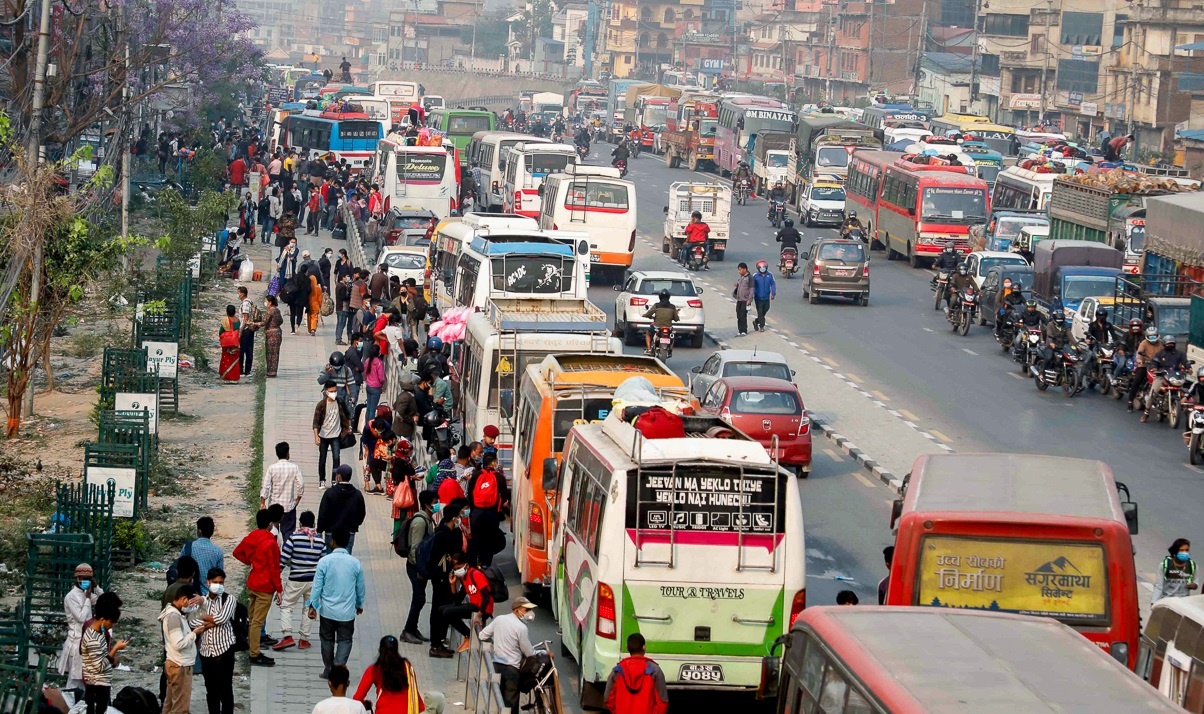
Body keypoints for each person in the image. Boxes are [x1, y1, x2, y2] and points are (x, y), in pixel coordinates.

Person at [309, 528, 366, 680]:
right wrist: (359, 604)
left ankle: (329, 669)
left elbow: (317, 587)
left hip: (327, 611)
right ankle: (338, 669)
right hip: (347, 613)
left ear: (332, 542)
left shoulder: (324, 562)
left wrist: (313, 605)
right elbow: (360, 588)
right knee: (345, 640)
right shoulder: (355, 563)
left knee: (327, 639)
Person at [233, 509, 283, 667]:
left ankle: (253, 649)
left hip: (253, 582)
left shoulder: (251, 537)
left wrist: (251, 562)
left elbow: (237, 552)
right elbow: (275, 568)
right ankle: (254, 654)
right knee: (257, 622)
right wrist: (280, 589)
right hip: (265, 586)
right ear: (270, 524)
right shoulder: (271, 542)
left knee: (253, 619)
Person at [274, 511, 324, 651]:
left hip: (296, 579)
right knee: (309, 608)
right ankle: (304, 639)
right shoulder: (320, 541)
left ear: (300, 524)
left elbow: (283, 560)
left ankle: (287, 635)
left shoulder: (293, 538)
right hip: (313, 582)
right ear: (314, 524)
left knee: (286, 605)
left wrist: (276, 576)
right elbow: (323, 563)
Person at [479, 597, 537, 714]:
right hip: (512, 670)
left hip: (495, 666)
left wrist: (496, 643)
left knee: (496, 700)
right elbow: (529, 652)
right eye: (526, 610)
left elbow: (482, 635)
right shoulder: (521, 628)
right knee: (510, 706)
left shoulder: (499, 619)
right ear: (517, 610)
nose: (529, 613)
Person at [428, 501, 466, 658]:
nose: (460, 520)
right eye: (459, 517)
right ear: (453, 518)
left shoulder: (447, 532)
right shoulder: (443, 535)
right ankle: (435, 645)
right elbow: (443, 558)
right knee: (438, 610)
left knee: (442, 609)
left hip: (443, 578)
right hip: (441, 579)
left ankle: (439, 643)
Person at [59, 563, 103, 697]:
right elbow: (81, 617)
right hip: (76, 642)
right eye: (83, 578)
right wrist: (88, 599)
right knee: (74, 680)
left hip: (88, 641)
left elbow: (104, 600)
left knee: (86, 681)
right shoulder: (71, 596)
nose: (86, 581)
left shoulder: (86, 594)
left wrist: (97, 588)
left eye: (89, 579)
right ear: (77, 579)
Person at [160, 585, 204, 714]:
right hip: (180, 666)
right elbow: (178, 643)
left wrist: (202, 602)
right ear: (184, 599)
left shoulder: (178, 614)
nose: (191, 607)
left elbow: (200, 615)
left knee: (170, 704)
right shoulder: (174, 617)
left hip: (176, 664)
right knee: (180, 708)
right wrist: (194, 633)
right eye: (191, 603)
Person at [81, 592, 127, 714]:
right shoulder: (94, 636)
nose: (112, 625)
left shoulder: (99, 632)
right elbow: (99, 666)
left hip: (100, 683)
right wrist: (115, 649)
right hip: (96, 684)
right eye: (111, 622)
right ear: (103, 619)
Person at [354, 635, 426, 713]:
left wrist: (365, 705)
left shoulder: (373, 669)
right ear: (397, 649)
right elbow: (414, 691)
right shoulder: (407, 667)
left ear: (380, 650)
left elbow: (357, 698)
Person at [401, 491, 437, 645]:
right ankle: (407, 630)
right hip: (415, 568)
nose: (437, 504)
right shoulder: (420, 522)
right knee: (419, 598)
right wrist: (420, 570)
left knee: (419, 599)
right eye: (435, 502)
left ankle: (413, 629)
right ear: (428, 504)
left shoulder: (428, 520)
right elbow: (415, 548)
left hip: (421, 567)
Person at [440, 552, 494, 653]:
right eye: (455, 569)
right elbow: (457, 601)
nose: (457, 571)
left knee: (447, 612)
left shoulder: (475, 574)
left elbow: (486, 596)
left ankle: (469, 636)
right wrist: (452, 585)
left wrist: (479, 614)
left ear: (466, 565)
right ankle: (443, 639)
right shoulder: (464, 578)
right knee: (441, 610)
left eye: (459, 567)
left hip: (482, 608)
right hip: (473, 605)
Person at [604, 633, 669, 714]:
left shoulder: (617, 671)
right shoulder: (654, 670)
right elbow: (663, 702)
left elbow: (608, 699)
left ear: (627, 648)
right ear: (644, 647)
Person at [467, 452, 507, 566]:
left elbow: (470, 493)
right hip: (492, 513)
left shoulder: (476, 475)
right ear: (493, 462)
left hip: (476, 512)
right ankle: (485, 564)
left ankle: (473, 565)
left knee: (474, 539)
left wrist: (473, 508)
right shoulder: (499, 477)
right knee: (489, 539)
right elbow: (503, 496)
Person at [261, 441, 305, 542]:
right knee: (288, 534)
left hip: (274, 507)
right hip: (289, 507)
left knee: (272, 532)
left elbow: (266, 486)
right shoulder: (294, 468)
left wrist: (263, 502)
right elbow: (301, 484)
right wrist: (298, 498)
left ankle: (274, 551)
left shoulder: (272, 468)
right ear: (287, 453)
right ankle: (286, 553)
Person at [318, 464, 367, 552]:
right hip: (349, 532)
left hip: (331, 532)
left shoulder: (330, 493)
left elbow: (323, 513)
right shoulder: (357, 494)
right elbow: (361, 513)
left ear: (339, 476)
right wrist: (355, 525)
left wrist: (320, 530)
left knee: (330, 556)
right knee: (346, 557)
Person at [1143, 336, 1190, 422]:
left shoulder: (1180, 354)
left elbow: (1185, 362)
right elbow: (1154, 362)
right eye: (1168, 344)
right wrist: (1154, 368)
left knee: (1187, 392)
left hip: (1175, 377)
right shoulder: (1160, 354)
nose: (1170, 345)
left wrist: (1189, 368)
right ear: (1164, 345)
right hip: (1162, 376)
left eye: (1172, 344)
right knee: (1152, 394)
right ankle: (1146, 413)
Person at [314, 381, 352, 488]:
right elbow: (316, 422)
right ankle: (322, 479)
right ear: (326, 392)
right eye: (331, 391)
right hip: (323, 436)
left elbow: (348, 414)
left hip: (336, 436)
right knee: (322, 459)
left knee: (336, 458)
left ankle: (334, 479)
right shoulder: (321, 405)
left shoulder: (340, 402)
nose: (334, 393)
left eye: (335, 391)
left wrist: (348, 427)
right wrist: (316, 437)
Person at [185, 517, 224, 597]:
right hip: (210, 596)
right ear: (212, 532)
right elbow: (220, 577)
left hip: (191, 594)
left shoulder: (188, 547)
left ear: (199, 531)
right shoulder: (218, 551)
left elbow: (181, 569)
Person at [1127, 327, 1162, 411]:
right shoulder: (1144, 343)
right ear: (1147, 336)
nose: (1152, 339)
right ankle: (1130, 402)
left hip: (1157, 366)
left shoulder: (1161, 343)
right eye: (1151, 337)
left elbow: (1165, 354)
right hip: (1145, 365)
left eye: (1154, 336)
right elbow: (1139, 354)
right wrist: (1139, 360)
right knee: (1137, 381)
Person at [642, 289, 679, 355]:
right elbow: (676, 318)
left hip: (657, 327)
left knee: (648, 333)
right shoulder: (672, 307)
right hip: (668, 327)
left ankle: (649, 349)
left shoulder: (656, 305)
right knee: (672, 336)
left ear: (660, 297)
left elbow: (649, 314)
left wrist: (645, 315)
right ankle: (670, 349)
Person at [263, 295, 285, 378]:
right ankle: (273, 372)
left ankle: (270, 372)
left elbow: (264, 322)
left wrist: (253, 324)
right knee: (275, 354)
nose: (265, 303)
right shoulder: (277, 310)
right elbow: (281, 321)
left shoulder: (270, 311)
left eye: (266, 301)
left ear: (270, 302)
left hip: (271, 335)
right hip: (278, 333)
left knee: (270, 354)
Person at [218, 305, 242, 383]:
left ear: (227, 312)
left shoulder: (225, 321)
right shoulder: (238, 320)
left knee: (226, 359)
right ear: (235, 312)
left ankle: (227, 377)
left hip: (227, 343)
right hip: (236, 343)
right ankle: (235, 378)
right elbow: (238, 330)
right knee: (235, 360)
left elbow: (221, 332)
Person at [752, 260, 776, 332]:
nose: (763, 269)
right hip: (758, 297)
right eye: (761, 267)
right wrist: (751, 295)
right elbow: (752, 286)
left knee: (766, 309)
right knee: (760, 312)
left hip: (766, 297)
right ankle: (761, 326)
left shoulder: (770, 275)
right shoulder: (755, 276)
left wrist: (773, 293)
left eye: (764, 267)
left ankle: (756, 322)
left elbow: (773, 284)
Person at [238, 286, 257, 377]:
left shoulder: (245, 304)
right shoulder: (250, 302)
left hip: (246, 329)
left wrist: (241, 330)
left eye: (238, 293)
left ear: (242, 293)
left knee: (242, 350)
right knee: (249, 350)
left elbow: (245, 318)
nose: (238, 295)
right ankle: (248, 371)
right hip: (250, 328)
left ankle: (241, 371)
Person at [732, 262, 753, 337]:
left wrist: (749, 300)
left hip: (745, 300)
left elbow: (752, 289)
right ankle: (740, 330)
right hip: (739, 300)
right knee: (738, 315)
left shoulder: (750, 278)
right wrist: (737, 285)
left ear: (745, 269)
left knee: (743, 315)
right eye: (739, 270)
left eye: (740, 270)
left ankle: (744, 330)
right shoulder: (741, 277)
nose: (739, 271)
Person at [308, 267, 324, 336]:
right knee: (314, 317)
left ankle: (309, 329)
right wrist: (320, 305)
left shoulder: (308, 287)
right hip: (316, 304)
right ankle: (313, 328)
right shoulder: (318, 288)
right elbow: (320, 298)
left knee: (309, 317)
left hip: (309, 304)